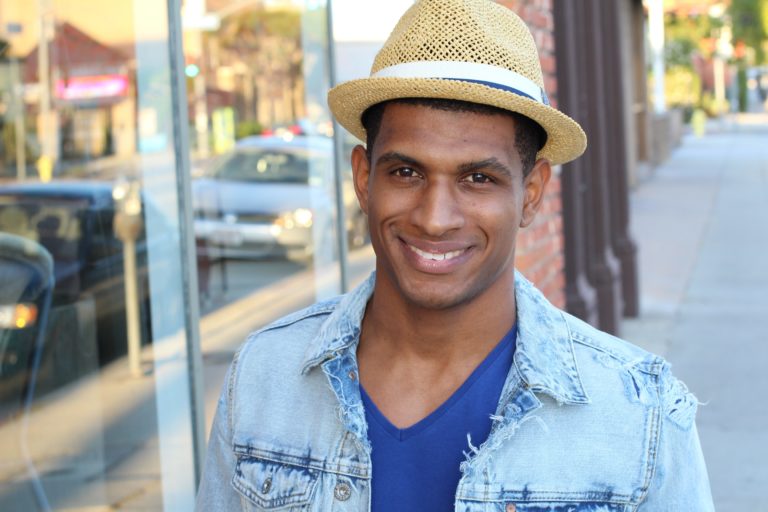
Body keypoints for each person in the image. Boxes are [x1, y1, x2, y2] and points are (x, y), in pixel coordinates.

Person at [195, 0, 714, 510]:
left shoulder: (637, 412)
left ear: (531, 193)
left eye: (478, 178)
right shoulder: (266, 377)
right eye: (405, 172)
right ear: (362, 177)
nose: (435, 217)